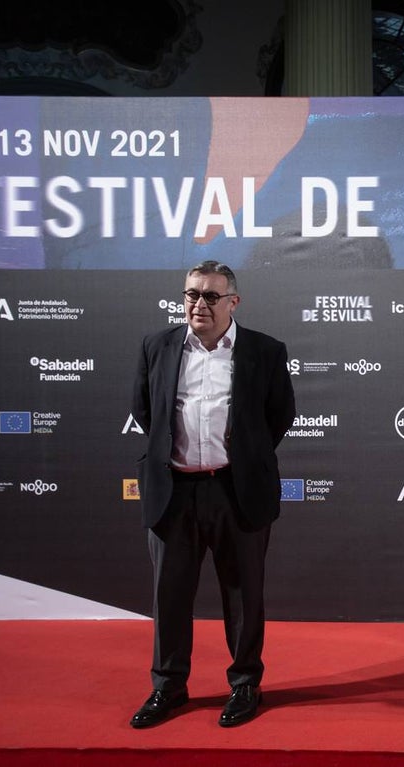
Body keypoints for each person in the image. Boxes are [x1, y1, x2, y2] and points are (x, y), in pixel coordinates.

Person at [129, 261, 296, 729]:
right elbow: (146, 412)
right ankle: (168, 687)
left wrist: (241, 457)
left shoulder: (264, 350)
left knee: (243, 596)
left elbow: (278, 416)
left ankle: (245, 685)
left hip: (236, 490)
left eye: (210, 297)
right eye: (191, 295)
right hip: (173, 491)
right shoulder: (157, 346)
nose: (198, 304)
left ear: (233, 302)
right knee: (169, 595)